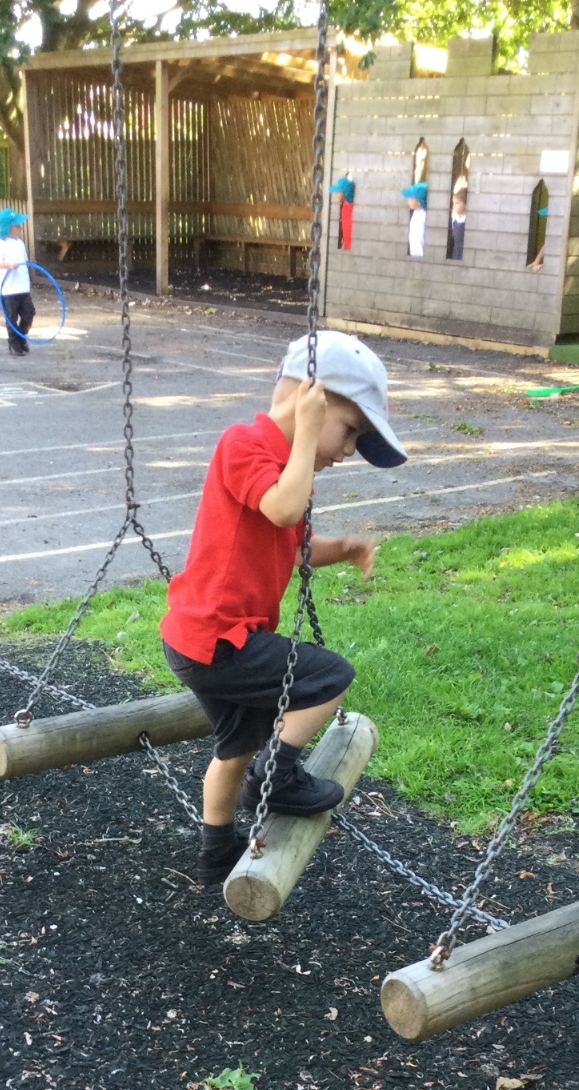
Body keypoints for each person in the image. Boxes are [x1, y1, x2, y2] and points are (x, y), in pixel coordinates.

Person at [159, 330, 407, 885]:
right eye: (349, 430)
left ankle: (215, 852)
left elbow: (293, 543)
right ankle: (277, 775)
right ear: (309, 398)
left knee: (235, 746)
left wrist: (342, 548)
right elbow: (282, 510)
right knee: (330, 676)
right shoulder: (243, 443)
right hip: (217, 636)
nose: (347, 451)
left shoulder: (285, 470)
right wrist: (308, 434)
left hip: (209, 638)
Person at [0, 208, 34, 356]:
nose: (20, 228)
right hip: (9, 290)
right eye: (17, 226)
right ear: (8, 228)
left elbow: (25, 261)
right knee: (11, 318)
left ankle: (21, 337)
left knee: (29, 313)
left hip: (23, 287)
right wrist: (9, 265)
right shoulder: (1, 244)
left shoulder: (20, 243)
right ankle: (14, 343)